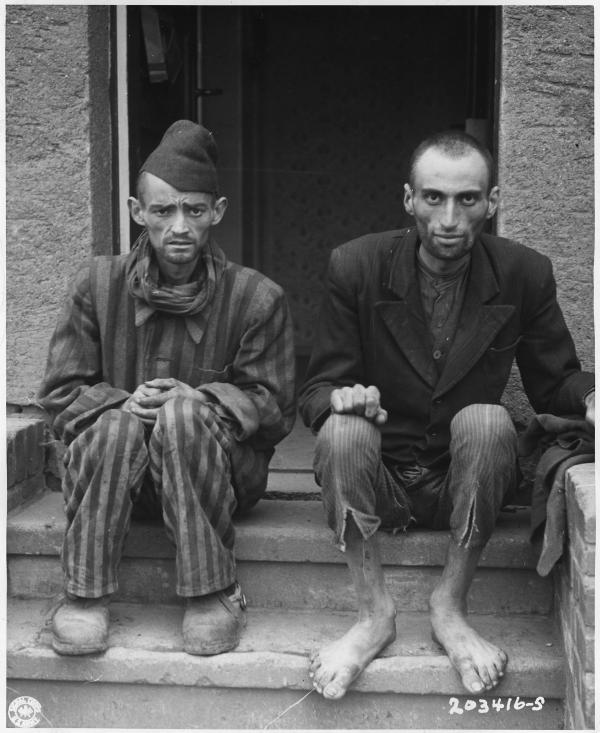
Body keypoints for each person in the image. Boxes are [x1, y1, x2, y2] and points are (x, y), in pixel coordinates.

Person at [299, 130, 594, 699]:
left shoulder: (523, 273)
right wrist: (339, 399)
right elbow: (316, 387)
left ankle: (451, 606)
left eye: (468, 199)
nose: (450, 217)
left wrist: (593, 399)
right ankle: (372, 614)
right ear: (408, 199)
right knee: (343, 429)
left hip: (463, 481)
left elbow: (553, 380)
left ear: (493, 201)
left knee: (488, 418)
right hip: (380, 480)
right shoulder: (356, 266)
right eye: (434, 198)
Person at [38, 120, 296, 657]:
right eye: (163, 211)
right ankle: (83, 595)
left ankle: (211, 593)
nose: (179, 227)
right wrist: (124, 404)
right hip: (109, 478)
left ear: (217, 213)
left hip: (214, 480)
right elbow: (61, 393)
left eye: (194, 211)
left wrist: (198, 401)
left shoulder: (257, 298)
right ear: (138, 213)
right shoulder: (96, 285)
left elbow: (274, 409)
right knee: (117, 425)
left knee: (180, 417)